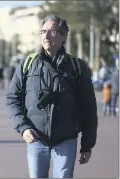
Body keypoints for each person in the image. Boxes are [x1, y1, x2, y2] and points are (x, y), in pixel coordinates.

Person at [6, 15, 98, 178]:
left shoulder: (77, 66)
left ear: (64, 36)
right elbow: (12, 99)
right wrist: (23, 127)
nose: (46, 36)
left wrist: (87, 145)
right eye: (43, 31)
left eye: (53, 31)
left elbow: (88, 108)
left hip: (66, 138)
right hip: (35, 138)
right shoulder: (28, 63)